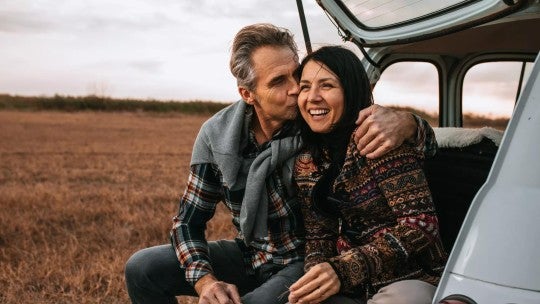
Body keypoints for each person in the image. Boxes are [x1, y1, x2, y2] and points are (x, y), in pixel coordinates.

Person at [125, 23, 437, 304]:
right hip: (253, 252)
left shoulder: (317, 122)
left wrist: (410, 123)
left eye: (296, 75)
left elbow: (388, 145)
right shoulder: (217, 137)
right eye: (278, 82)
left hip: (300, 259)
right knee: (142, 269)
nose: (296, 90)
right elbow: (188, 222)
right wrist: (205, 281)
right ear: (248, 94)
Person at [287, 46, 447, 304]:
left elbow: (420, 225)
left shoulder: (380, 140)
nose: (312, 97)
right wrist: (315, 277)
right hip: (352, 288)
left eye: (326, 85)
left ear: (351, 91)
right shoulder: (307, 161)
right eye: (305, 87)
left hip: (410, 281)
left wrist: (344, 269)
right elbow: (319, 235)